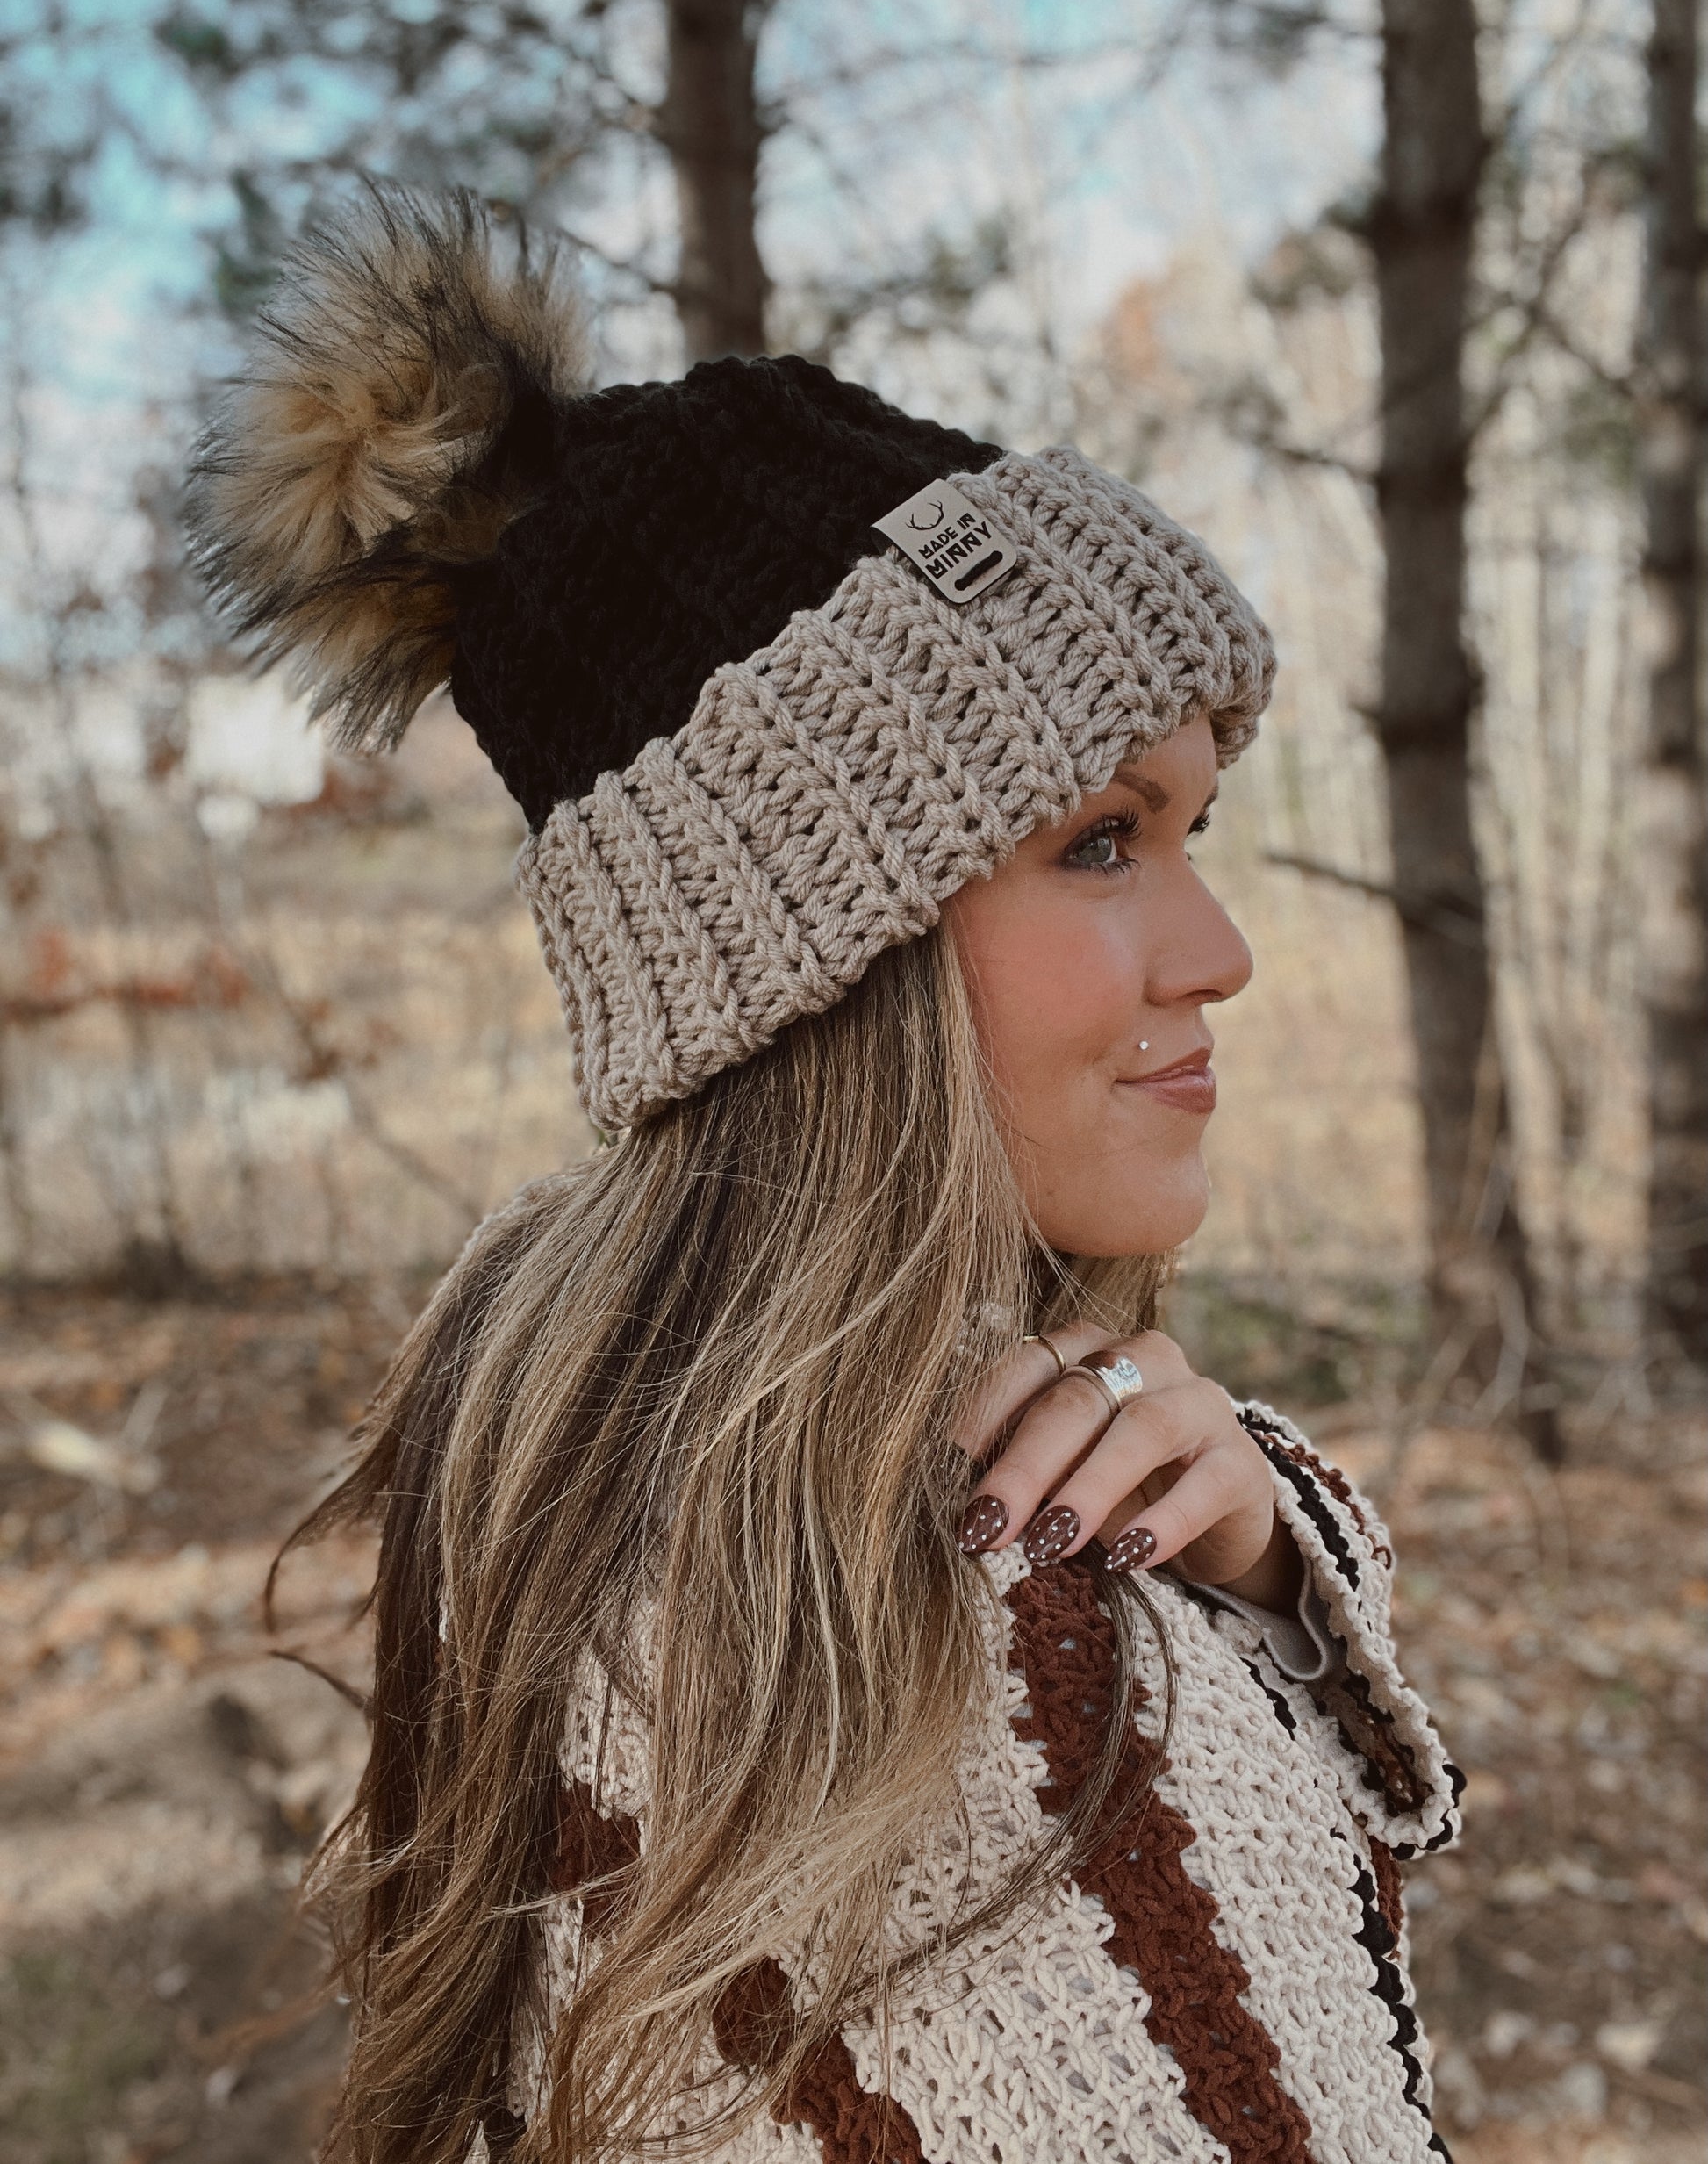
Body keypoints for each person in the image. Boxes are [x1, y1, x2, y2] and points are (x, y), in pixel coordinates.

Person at [190, 187, 1463, 2164]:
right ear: (812, 955)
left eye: (1192, 829)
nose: (1217, 952)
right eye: (1099, 840)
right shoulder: (997, 1669)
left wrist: (1268, 1579)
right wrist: (1187, 1667)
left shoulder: (585, 1477)